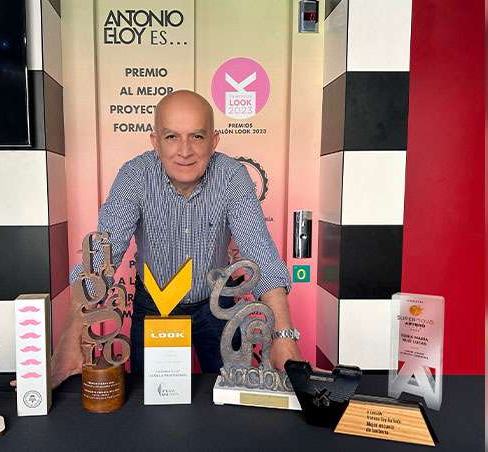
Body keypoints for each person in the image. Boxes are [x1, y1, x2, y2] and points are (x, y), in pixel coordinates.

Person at [48, 90, 302, 387]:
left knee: (231, 397)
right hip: (155, 305)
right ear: (155, 141)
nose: (184, 151)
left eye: (197, 136)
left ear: (214, 140)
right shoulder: (135, 175)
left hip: (218, 305)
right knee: (149, 399)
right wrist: (72, 337)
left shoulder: (233, 176)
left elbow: (260, 254)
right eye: (171, 137)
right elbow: (103, 255)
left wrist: (283, 336)